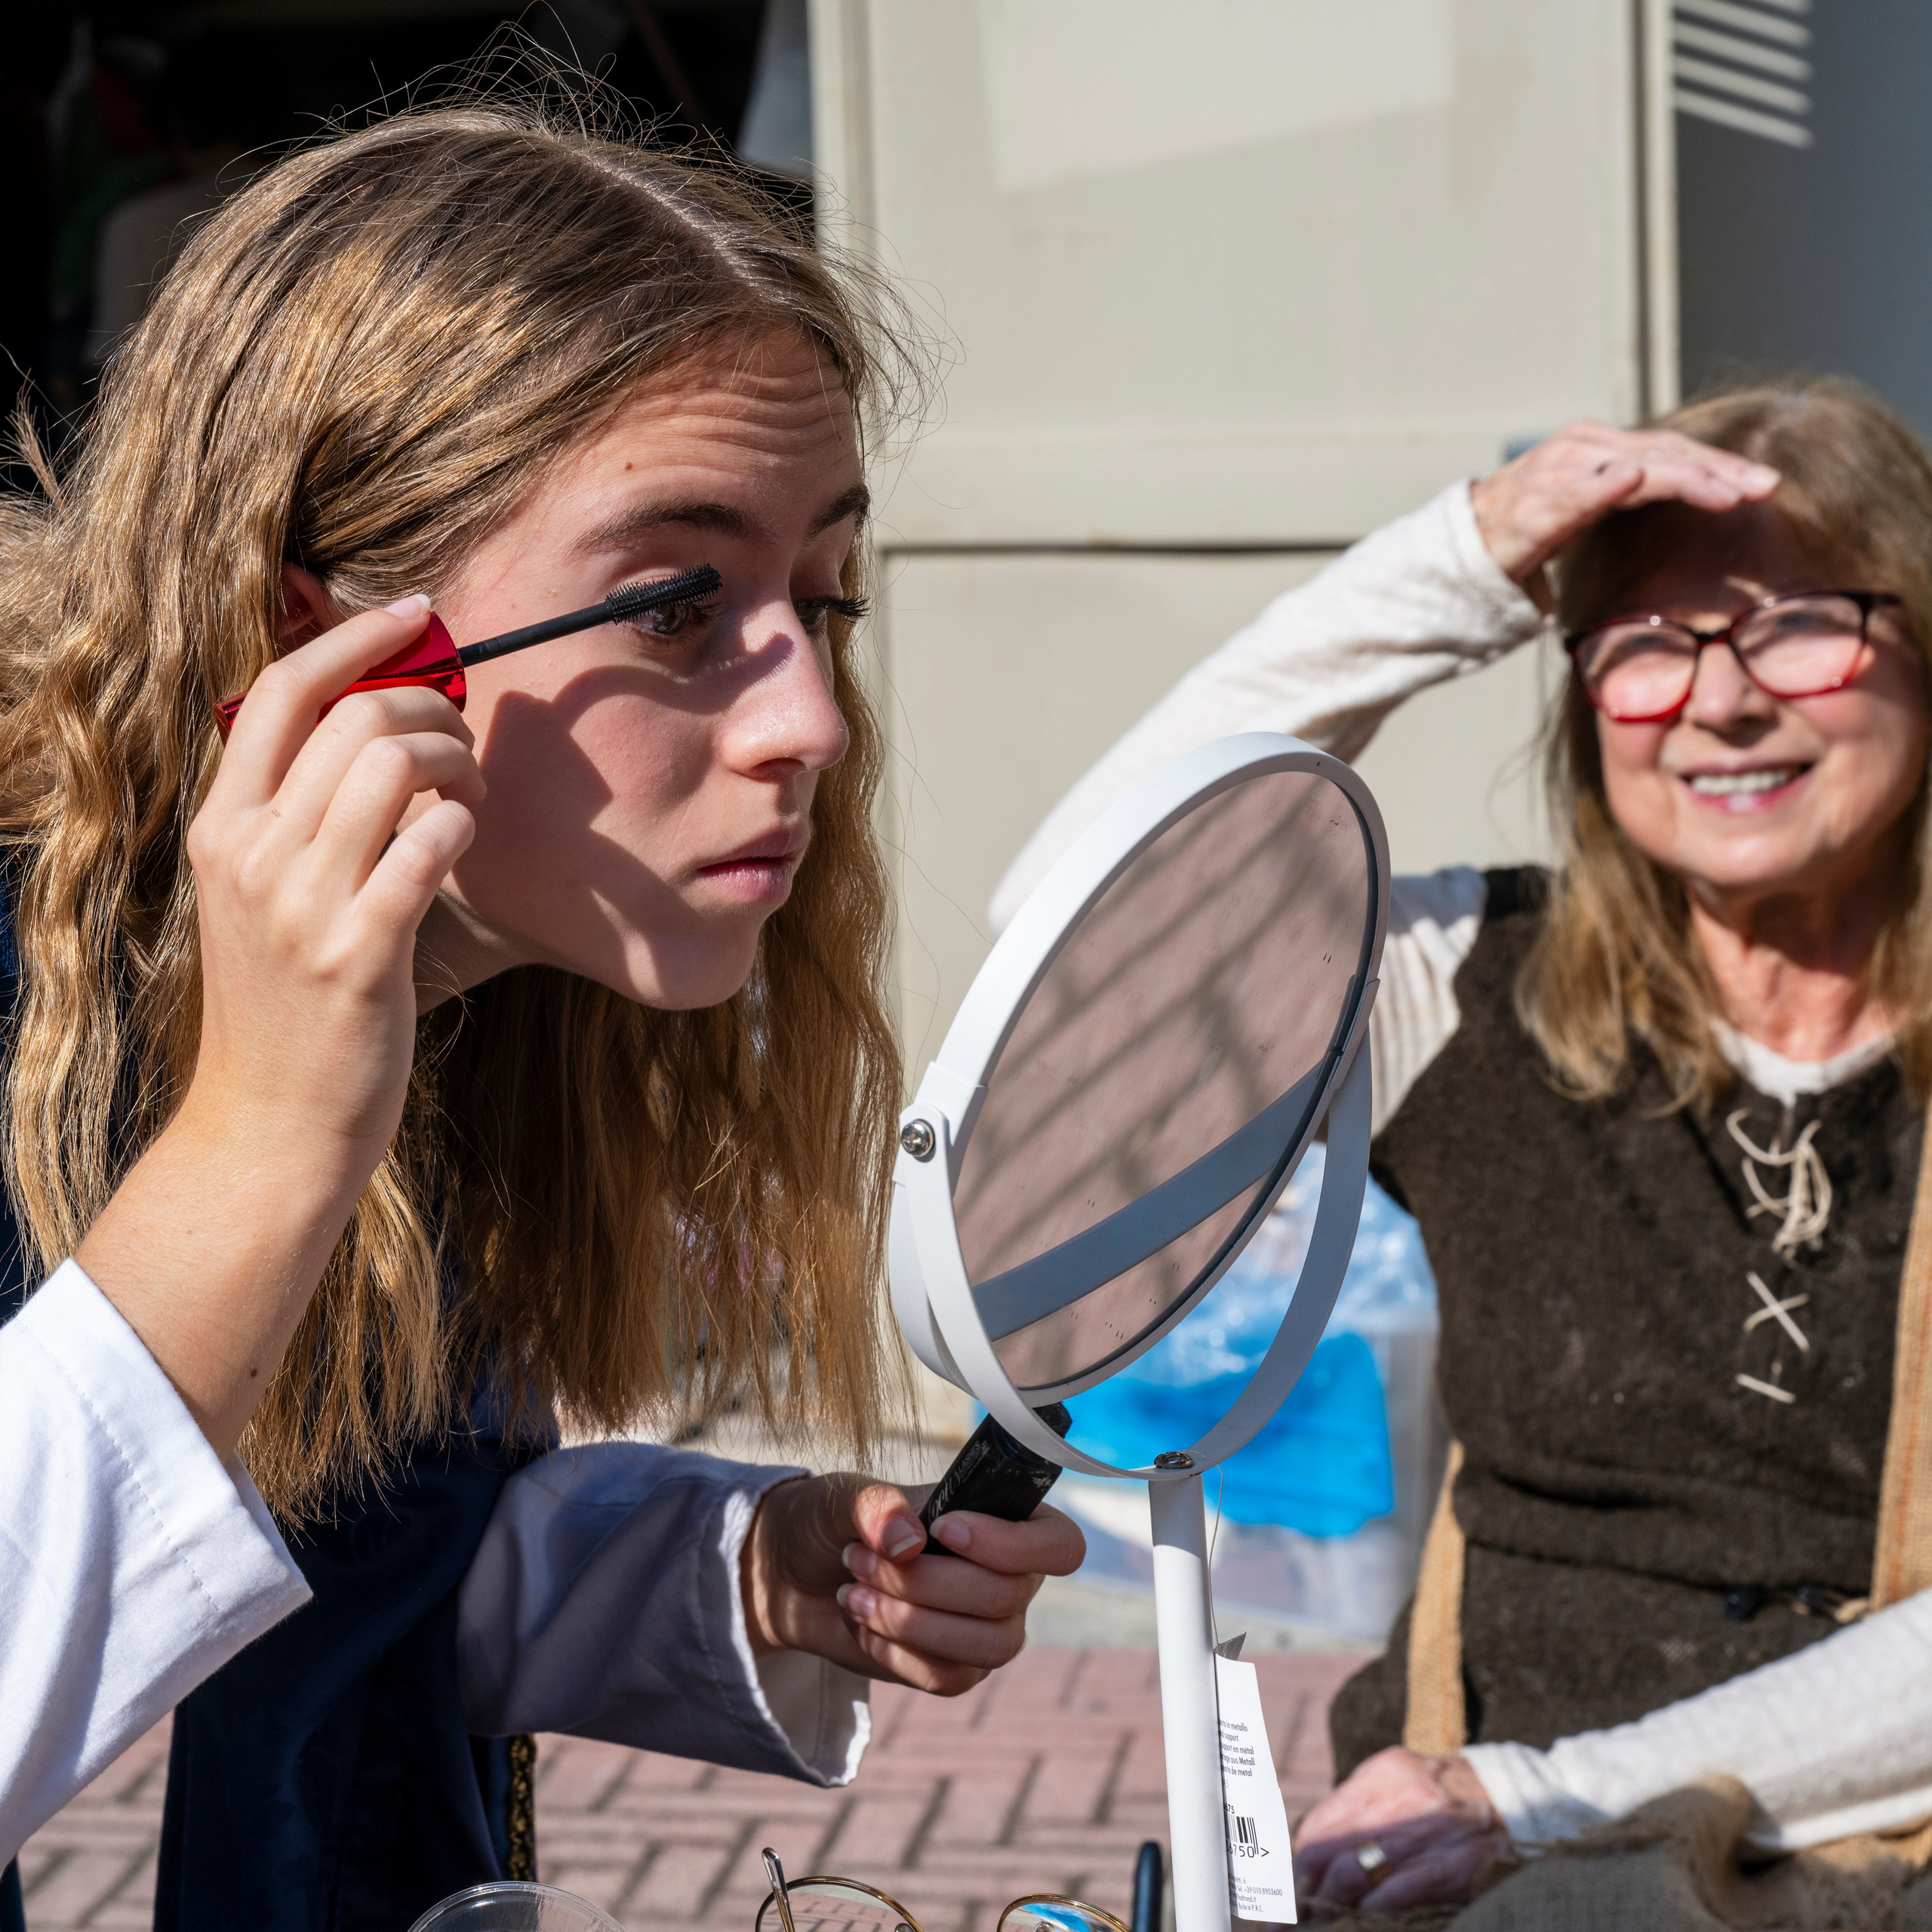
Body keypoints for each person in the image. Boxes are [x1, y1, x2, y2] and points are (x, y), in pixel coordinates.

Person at [0, 98, 1080, 1930]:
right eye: (673, 605)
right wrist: (260, 1147)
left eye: (822, 597)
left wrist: (742, 1566)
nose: (809, 722)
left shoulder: (459, 982)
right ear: (329, 648)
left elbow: (355, 1544)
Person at [992, 383, 1932, 1918]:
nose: (1722, 701)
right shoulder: (1461, 979)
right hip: (1468, 1830)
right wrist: (1461, 557)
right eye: (1649, 640)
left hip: (1838, 1823)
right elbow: (1078, 934)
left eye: (1799, 625)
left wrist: (1550, 1796)